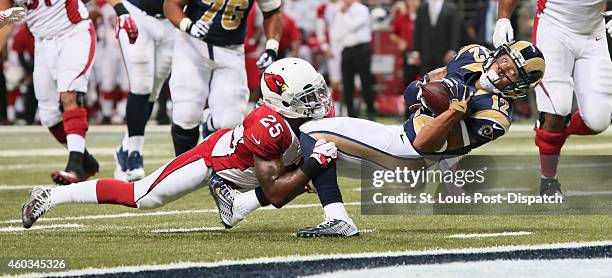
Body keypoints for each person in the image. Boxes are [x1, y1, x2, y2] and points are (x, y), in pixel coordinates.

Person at [210, 41, 546, 237]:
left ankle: (338, 219)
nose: (502, 69)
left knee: (313, 131)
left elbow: (428, 144)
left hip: (408, 156)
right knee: (313, 159)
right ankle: (239, 206)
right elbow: (418, 87)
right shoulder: (473, 54)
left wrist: (453, 111)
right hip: (398, 137)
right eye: (504, 60)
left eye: (512, 71)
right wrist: (427, 94)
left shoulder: (495, 116)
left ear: (519, 85)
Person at [21, 59, 340, 235]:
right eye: (307, 97)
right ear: (282, 101)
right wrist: (310, 167)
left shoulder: (302, 121)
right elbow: (276, 195)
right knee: (141, 197)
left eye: (315, 93)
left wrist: (305, 171)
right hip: (212, 160)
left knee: (300, 174)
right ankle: (51, 195)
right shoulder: (267, 125)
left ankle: (233, 204)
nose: (318, 102)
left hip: (248, 170)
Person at [492, 0, 612, 197]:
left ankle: (554, 132)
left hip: (595, 34)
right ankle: (548, 180)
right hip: (555, 28)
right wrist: (503, 18)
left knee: (598, 121)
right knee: (556, 109)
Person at [163, 0, 283, 157]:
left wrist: (272, 47)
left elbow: (272, 12)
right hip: (192, 45)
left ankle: (210, 125)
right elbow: (171, 4)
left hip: (231, 50)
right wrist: (188, 25)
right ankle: (181, 167)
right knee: (187, 112)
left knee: (230, 122)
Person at [0, 0, 100, 185]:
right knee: (49, 116)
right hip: (43, 43)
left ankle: (75, 166)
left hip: (73, 32)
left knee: (69, 95)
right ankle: (86, 161)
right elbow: (13, 15)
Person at [106, 0, 175, 182]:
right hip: (136, 14)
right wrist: (120, 9)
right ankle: (135, 153)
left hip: (171, 19)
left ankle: (125, 149)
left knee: (154, 90)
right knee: (141, 86)